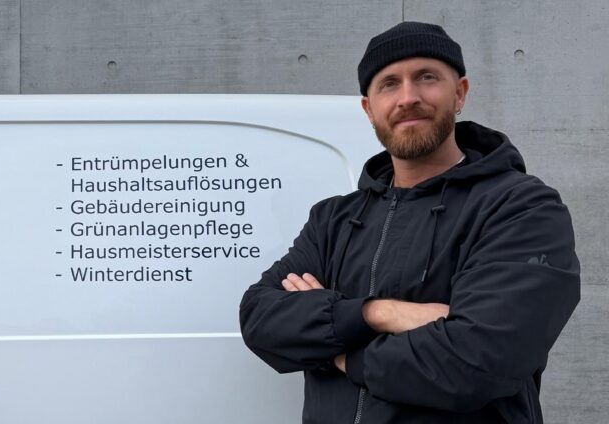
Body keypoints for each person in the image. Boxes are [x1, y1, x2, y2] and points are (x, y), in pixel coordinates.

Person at [239, 21, 580, 424]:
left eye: (427, 77)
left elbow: (479, 361)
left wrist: (336, 351)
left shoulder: (520, 207)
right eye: (389, 84)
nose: (408, 98)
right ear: (369, 109)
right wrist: (377, 313)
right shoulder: (333, 220)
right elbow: (260, 318)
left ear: (460, 93)